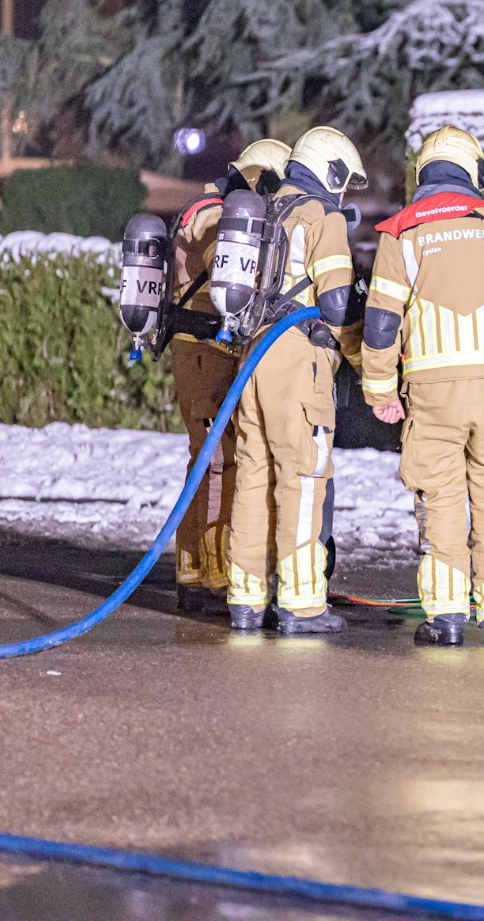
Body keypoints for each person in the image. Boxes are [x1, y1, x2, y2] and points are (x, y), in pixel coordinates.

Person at [361, 126, 484, 648]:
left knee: (441, 502)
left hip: (432, 394)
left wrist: (380, 392)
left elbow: (382, 322)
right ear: (473, 171)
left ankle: (447, 618)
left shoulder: (401, 233)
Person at [224, 126, 365, 635]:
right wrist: (361, 359)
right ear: (331, 171)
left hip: (252, 359)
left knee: (253, 478)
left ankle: (245, 598)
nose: (344, 194)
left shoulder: (266, 210)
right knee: (302, 478)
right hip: (297, 361)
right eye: (345, 182)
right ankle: (303, 604)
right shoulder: (321, 215)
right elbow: (335, 303)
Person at [169, 139, 290, 615]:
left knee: (204, 461)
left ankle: (193, 569)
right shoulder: (218, 217)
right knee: (221, 461)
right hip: (208, 350)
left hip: (197, 348)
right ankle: (217, 574)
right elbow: (233, 275)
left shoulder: (204, 207)